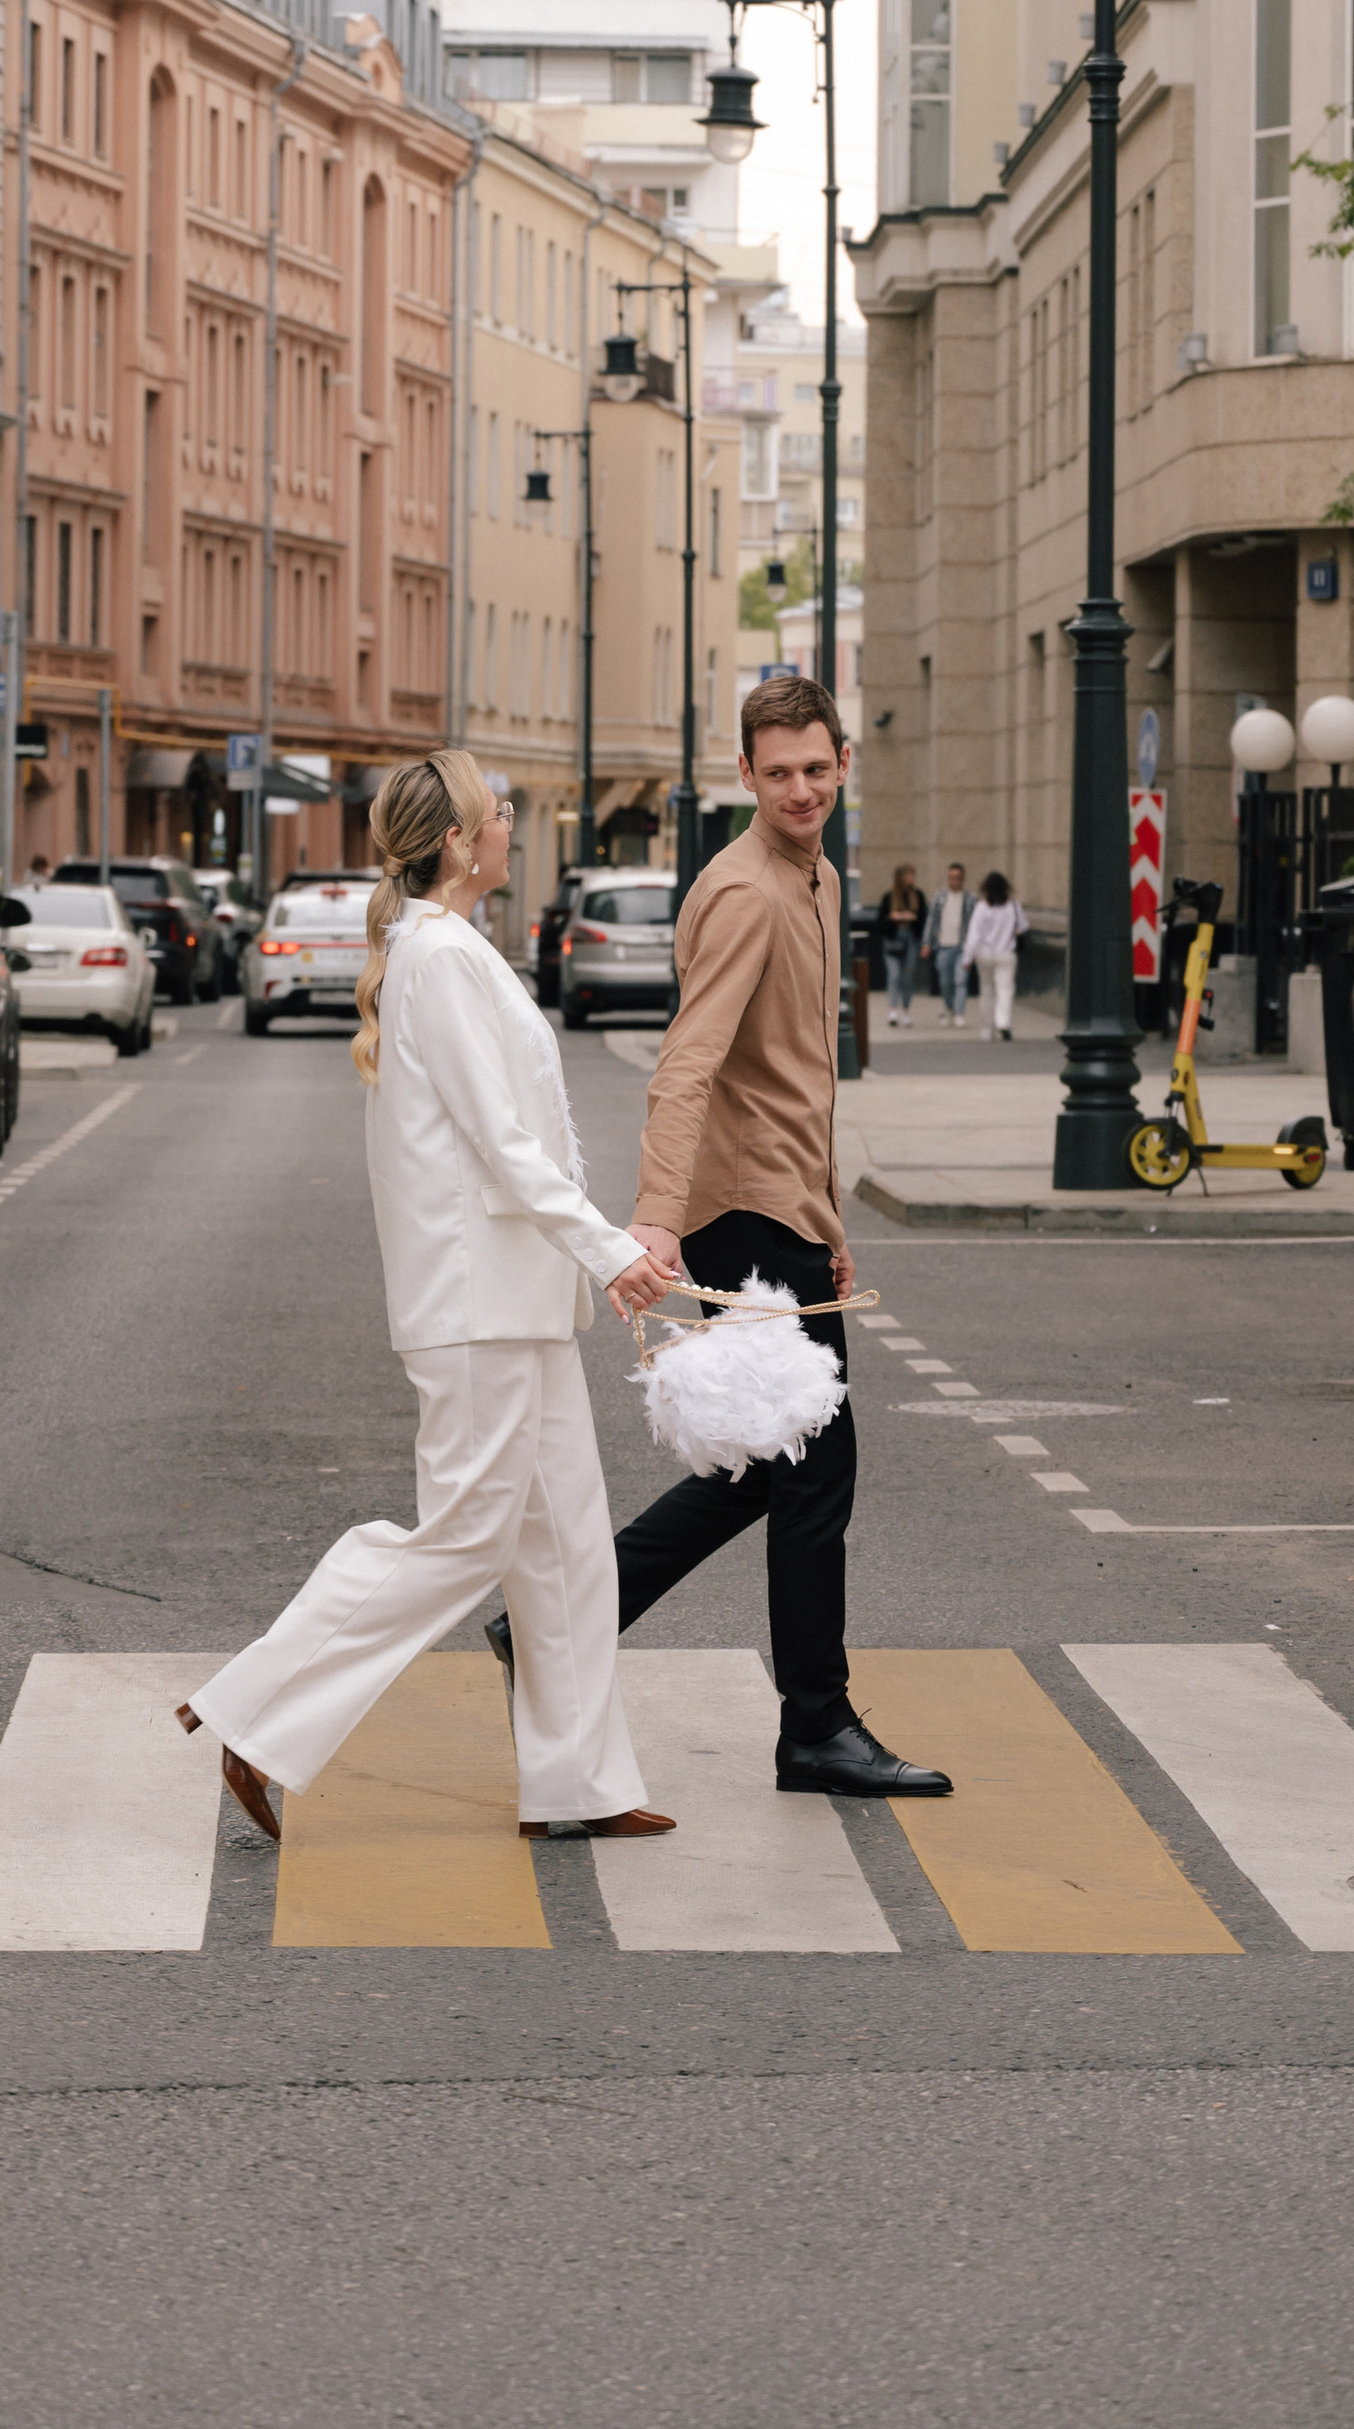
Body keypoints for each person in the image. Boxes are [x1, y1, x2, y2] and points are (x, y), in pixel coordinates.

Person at [179, 750, 680, 1844]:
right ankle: (256, 1710)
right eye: (497, 812)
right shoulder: (443, 959)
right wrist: (609, 1250)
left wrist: (587, 1261)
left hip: (514, 1300)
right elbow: (505, 1147)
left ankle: (578, 1784)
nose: (507, 823)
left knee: (568, 1550)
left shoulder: (451, 949)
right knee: (463, 1538)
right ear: (459, 842)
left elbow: (515, 1139)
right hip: (476, 1304)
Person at [494, 676, 949, 1802]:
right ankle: (815, 1724)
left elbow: (797, 1079)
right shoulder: (746, 890)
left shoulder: (818, 874)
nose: (799, 788)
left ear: (842, 762)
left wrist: (829, 1218)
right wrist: (652, 1218)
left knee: (769, 1459)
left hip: (780, 1207)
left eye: (816, 767)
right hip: (738, 1213)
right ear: (743, 774)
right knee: (810, 1466)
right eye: (777, 770)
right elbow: (689, 1063)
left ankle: (555, 1622)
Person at [960, 870, 1022, 1040]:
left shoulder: (981, 907)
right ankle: (1003, 1022)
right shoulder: (1013, 906)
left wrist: (967, 958)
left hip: (985, 955)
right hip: (1006, 954)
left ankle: (987, 1029)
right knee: (1005, 990)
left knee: (987, 991)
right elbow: (1023, 927)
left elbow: (974, 935)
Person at [880, 866, 926, 1025]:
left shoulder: (917, 895)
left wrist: (913, 917)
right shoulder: (889, 896)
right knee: (893, 976)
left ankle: (905, 1010)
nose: (910, 879)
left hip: (911, 941)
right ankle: (893, 1010)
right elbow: (880, 921)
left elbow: (923, 918)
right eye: (907, 876)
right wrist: (893, 917)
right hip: (893, 940)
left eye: (912, 876)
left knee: (907, 976)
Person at [930, 861, 972, 1025]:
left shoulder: (970, 898)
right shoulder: (940, 897)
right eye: (950, 878)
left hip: (962, 947)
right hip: (943, 946)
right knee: (945, 981)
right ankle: (949, 1009)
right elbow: (932, 921)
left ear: (962, 879)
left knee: (961, 980)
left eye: (957, 878)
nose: (953, 881)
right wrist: (927, 942)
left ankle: (960, 1013)